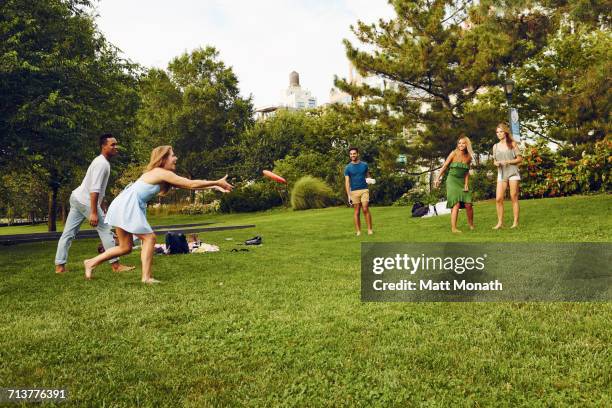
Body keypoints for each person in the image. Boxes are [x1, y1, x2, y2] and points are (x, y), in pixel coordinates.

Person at [83, 146, 233, 283]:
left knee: (125, 247)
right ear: (163, 159)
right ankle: (146, 278)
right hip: (128, 205)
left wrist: (214, 185)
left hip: (124, 203)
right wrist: (217, 182)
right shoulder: (161, 172)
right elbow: (191, 183)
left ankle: (90, 263)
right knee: (149, 238)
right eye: (172, 155)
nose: (176, 158)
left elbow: (187, 184)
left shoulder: (161, 174)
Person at [55, 134, 134, 274]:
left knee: (68, 234)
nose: (116, 147)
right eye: (112, 145)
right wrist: (93, 212)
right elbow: (94, 189)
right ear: (103, 147)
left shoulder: (103, 162)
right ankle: (116, 266)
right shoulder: (101, 164)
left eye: (116, 144)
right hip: (85, 200)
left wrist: (102, 207)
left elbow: (100, 190)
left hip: (77, 198)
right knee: (105, 230)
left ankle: (59, 267)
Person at [434, 136, 475, 233]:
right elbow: (445, 166)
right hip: (452, 180)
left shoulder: (469, 157)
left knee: (468, 204)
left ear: (467, 144)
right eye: (459, 143)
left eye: (463, 143)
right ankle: (454, 228)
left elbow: (466, 172)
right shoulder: (453, 153)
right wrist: (437, 178)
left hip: (462, 182)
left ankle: (471, 224)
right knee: (455, 204)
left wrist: (466, 184)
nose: (461, 145)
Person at [492, 123, 522, 229]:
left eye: (501, 131)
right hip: (501, 173)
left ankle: (515, 222)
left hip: (513, 172)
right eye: (497, 132)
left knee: (513, 196)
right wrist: (496, 163)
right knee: (499, 198)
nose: (499, 134)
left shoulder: (512, 144)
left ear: (505, 132)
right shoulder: (495, 146)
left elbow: (520, 159)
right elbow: (495, 161)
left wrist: (508, 161)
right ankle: (500, 223)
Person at [344, 147, 373, 236]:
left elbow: (368, 176)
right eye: (351, 154)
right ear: (349, 155)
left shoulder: (364, 165)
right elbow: (347, 182)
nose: (352, 155)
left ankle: (369, 229)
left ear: (357, 154)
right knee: (356, 211)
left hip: (364, 189)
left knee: (365, 208)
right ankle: (358, 231)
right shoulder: (348, 168)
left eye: (354, 153)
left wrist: (370, 180)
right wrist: (349, 195)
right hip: (354, 191)